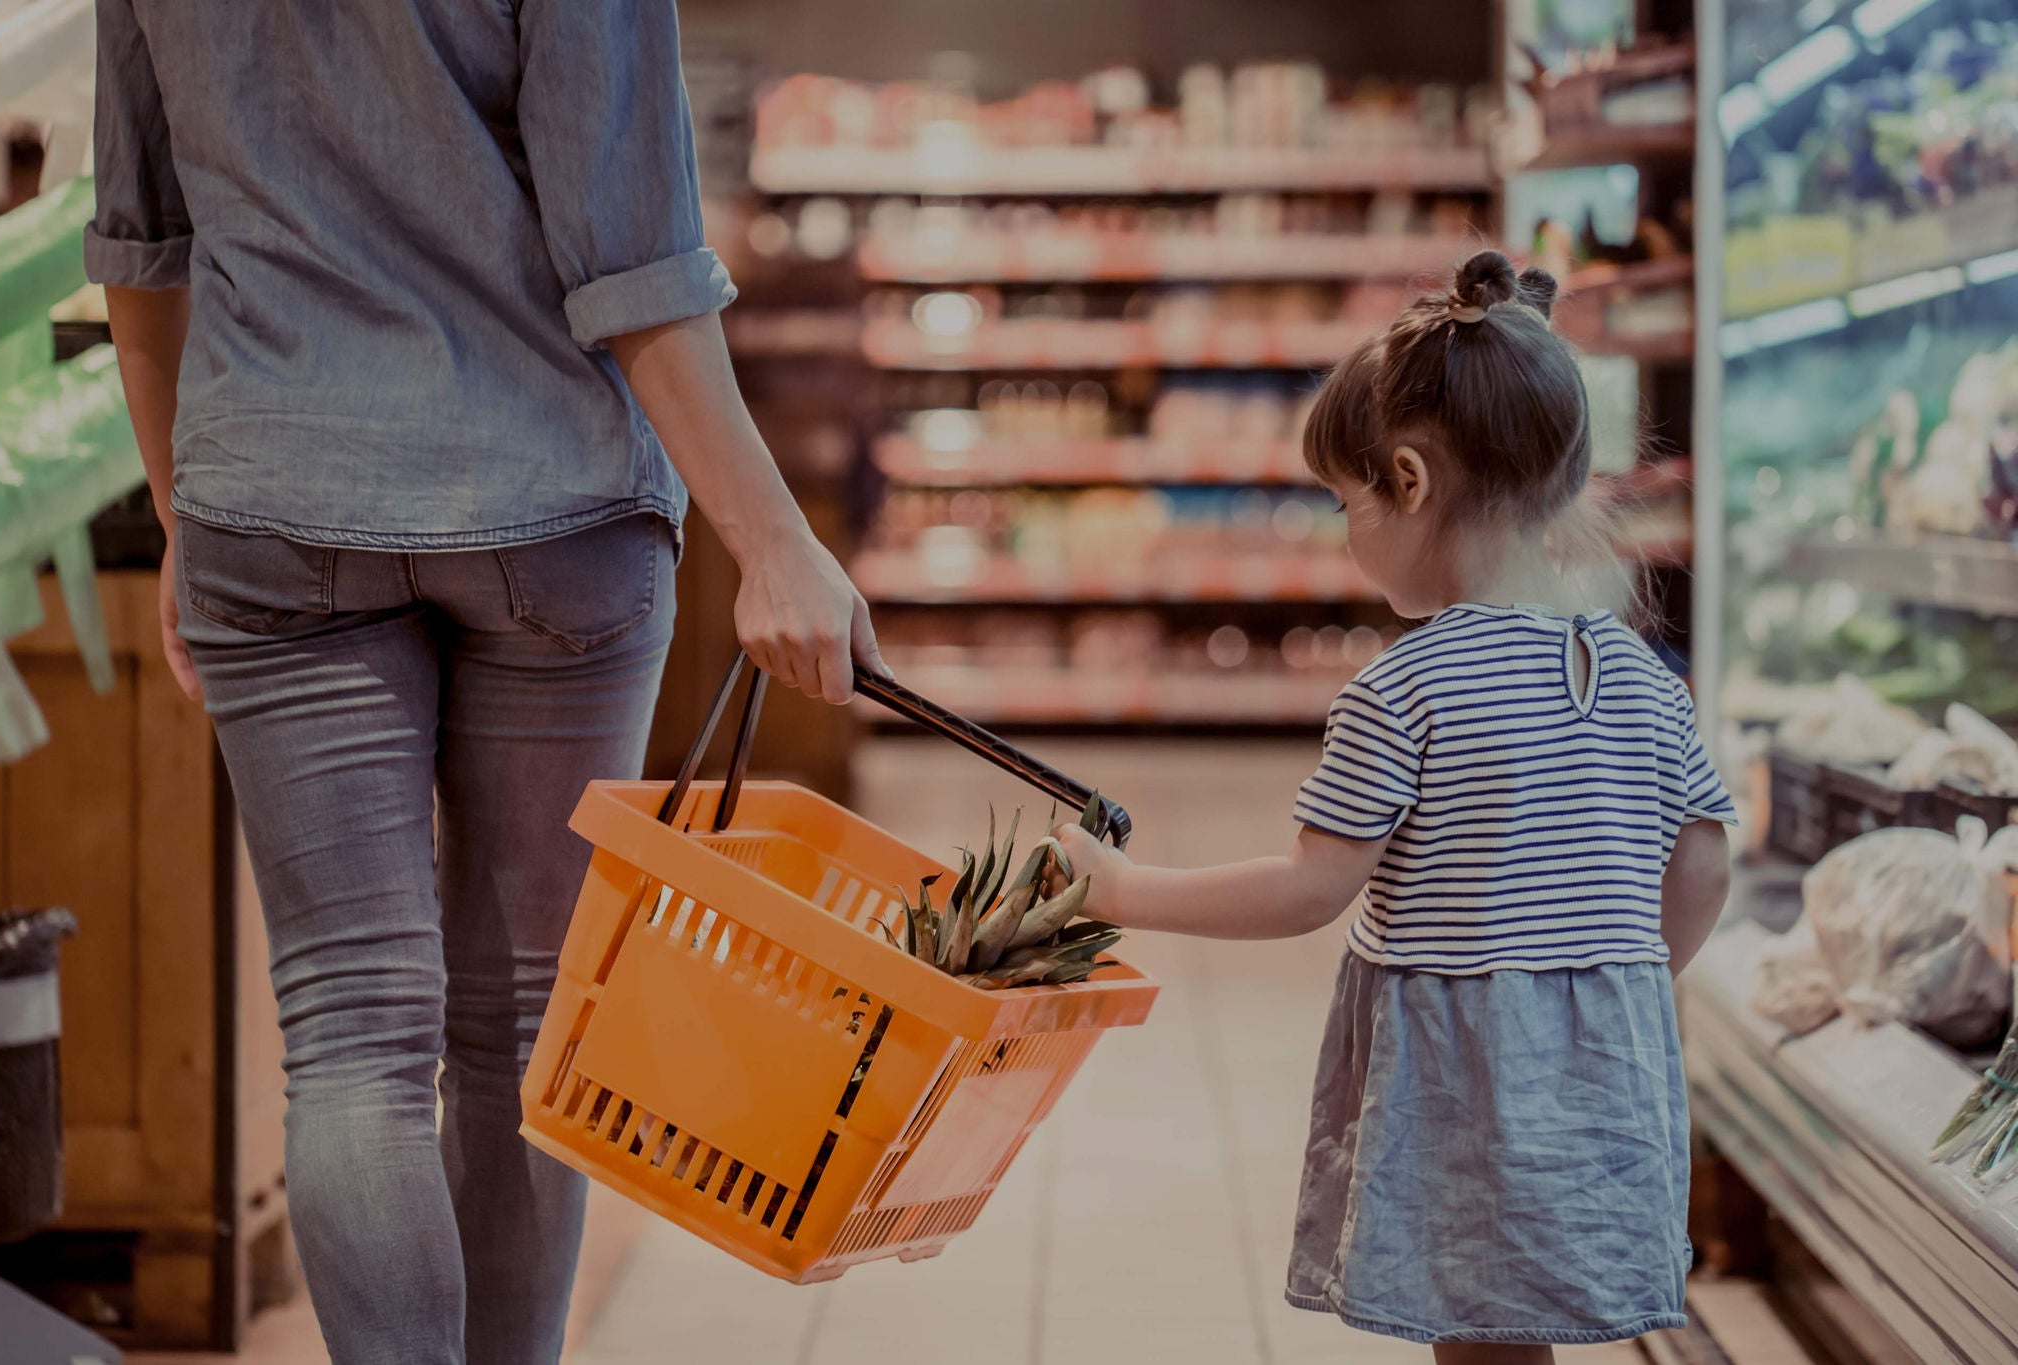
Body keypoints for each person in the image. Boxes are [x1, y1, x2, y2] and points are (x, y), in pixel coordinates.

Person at [85, 3, 883, 1362]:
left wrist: (180, 513)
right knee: (523, 1032)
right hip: (549, 497)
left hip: (270, 495)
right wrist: (775, 541)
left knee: (350, 1042)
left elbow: (142, 243)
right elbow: (631, 259)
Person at [1052, 251, 1734, 1365]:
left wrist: (1128, 891)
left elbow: (1307, 887)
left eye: (1344, 500)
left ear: (1408, 483)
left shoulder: (1406, 685)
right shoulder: (1639, 676)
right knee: (1524, 1325)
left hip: (1464, 1056)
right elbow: (1701, 861)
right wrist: (1615, 980)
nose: (1345, 530)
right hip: (1602, 1047)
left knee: (1473, 1326)